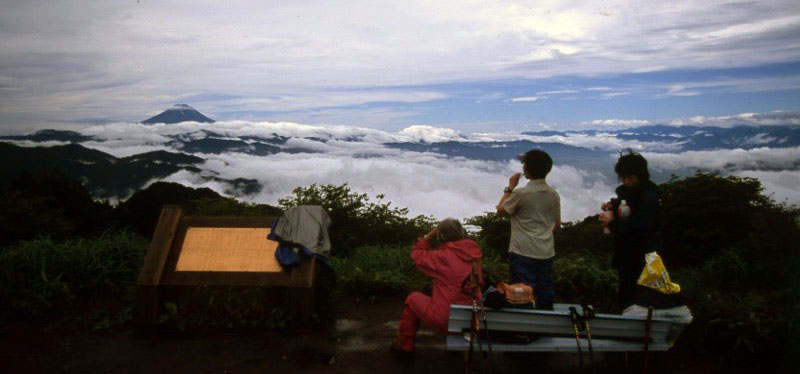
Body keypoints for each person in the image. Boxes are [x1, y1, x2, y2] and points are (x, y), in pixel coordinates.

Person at [392, 218, 483, 360]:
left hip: (446, 319)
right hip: (471, 319)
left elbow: (416, 255)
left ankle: (405, 348)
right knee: (457, 299)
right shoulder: (474, 257)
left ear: (441, 237)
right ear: (462, 234)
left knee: (412, 299)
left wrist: (427, 237)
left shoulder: (442, 258)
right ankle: (455, 348)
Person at [496, 149, 561, 310]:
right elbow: (556, 225)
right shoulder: (554, 194)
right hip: (546, 251)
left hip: (522, 251)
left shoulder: (521, 193)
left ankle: (524, 330)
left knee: (523, 293)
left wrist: (510, 187)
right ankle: (545, 326)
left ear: (527, 171)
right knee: (544, 291)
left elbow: (501, 210)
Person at [598, 151, 662, 310]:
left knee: (635, 291)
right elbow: (626, 207)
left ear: (641, 176)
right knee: (626, 287)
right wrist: (612, 205)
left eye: (631, 178)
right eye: (624, 177)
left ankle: (633, 325)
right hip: (625, 253)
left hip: (640, 254)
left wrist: (612, 223)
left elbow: (639, 228)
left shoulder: (649, 197)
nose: (626, 182)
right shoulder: (628, 193)